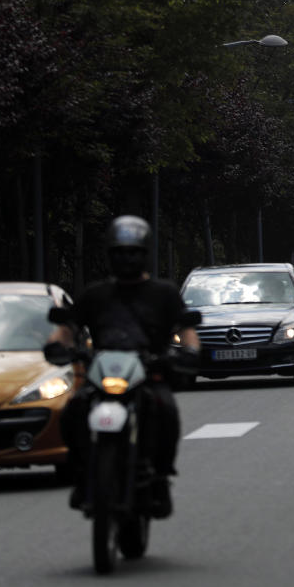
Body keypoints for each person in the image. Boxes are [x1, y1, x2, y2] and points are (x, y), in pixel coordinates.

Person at [45, 215, 200, 518]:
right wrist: (58, 345)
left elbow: (186, 327)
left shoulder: (164, 293)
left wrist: (190, 350)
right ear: (109, 255)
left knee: (166, 409)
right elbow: (69, 326)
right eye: (119, 253)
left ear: (144, 254)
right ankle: (82, 475)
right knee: (73, 409)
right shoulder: (95, 294)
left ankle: (160, 478)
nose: (126, 259)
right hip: (103, 375)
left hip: (149, 372)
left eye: (132, 253)